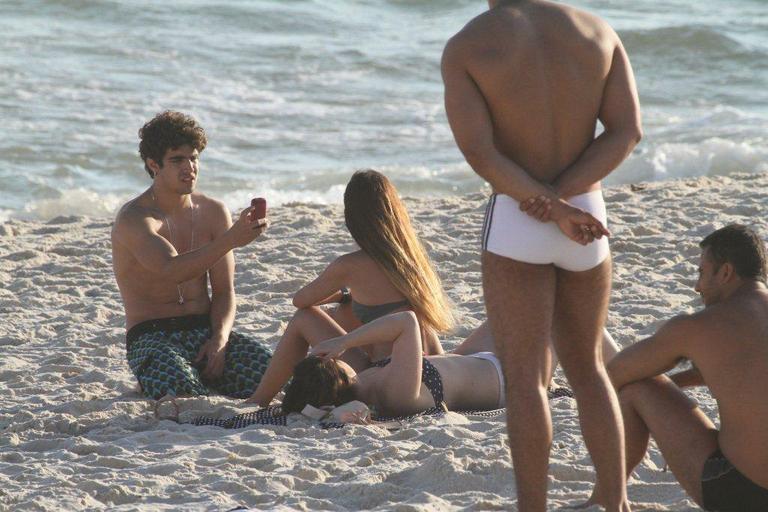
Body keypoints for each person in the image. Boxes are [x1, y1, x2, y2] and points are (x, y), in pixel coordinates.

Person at [442, 1, 642, 510]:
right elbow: (626, 131)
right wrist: (565, 200)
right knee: (590, 367)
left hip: (518, 213)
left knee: (527, 378)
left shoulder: (470, 43)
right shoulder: (597, 30)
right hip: (587, 212)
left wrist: (547, 207)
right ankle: (615, 501)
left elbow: (481, 153)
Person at [589, 225, 768, 511]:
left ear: (725, 273)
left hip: (745, 494)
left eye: (701, 273)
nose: (697, 286)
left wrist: (660, 384)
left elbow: (615, 374)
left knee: (637, 387)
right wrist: (675, 382)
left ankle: (605, 500)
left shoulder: (697, 326)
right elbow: (745, 372)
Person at [246, 170, 453, 405]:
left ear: (352, 218)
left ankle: (259, 399)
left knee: (304, 317)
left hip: (384, 373)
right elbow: (423, 324)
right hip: (420, 367)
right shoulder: (411, 258)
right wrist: (347, 296)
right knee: (347, 309)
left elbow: (301, 300)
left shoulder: (350, 265)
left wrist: (342, 293)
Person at [112, 110, 272, 400]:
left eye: (194, 158)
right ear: (153, 164)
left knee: (276, 379)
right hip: (152, 335)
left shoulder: (213, 211)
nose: (190, 168)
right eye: (177, 160)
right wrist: (230, 240)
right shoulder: (135, 218)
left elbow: (224, 290)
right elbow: (172, 269)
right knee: (185, 397)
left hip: (205, 330)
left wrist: (220, 340)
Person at [281, 311, 505, 417]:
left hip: (471, 356)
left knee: (518, 299)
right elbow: (407, 321)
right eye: (333, 362)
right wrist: (344, 341)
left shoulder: (364, 382)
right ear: (339, 378)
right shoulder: (395, 395)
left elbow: (308, 317)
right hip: (504, 376)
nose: (337, 357)